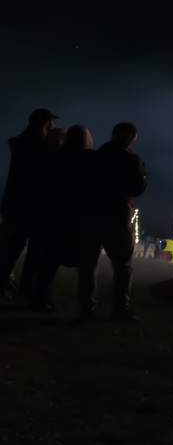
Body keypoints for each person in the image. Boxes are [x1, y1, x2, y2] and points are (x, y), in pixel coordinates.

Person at [78, 121, 147, 320]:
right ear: (130, 138)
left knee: (88, 265)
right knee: (122, 266)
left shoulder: (92, 157)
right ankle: (120, 308)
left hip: (91, 215)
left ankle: (87, 309)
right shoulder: (131, 160)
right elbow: (137, 189)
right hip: (117, 216)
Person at [27, 125, 93, 312]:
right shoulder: (89, 159)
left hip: (54, 214)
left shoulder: (55, 158)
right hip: (78, 216)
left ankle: (40, 296)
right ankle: (86, 304)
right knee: (85, 262)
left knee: (49, 260)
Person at [0, 109, 58, 297]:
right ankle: (25, 286)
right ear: (46, 123)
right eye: (51, 122)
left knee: (11, 247)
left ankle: (7, 282)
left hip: (15, 203)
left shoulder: (21, 144)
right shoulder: (41, 147)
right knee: (33, 249)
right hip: (34, 205)